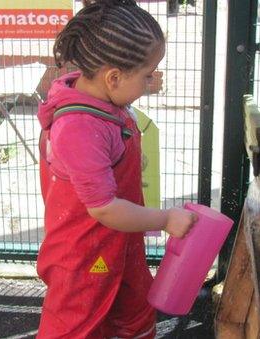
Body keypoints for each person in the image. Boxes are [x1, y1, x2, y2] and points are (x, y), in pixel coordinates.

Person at [37, 0, 197, 337]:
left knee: (136, 312)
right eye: (147, 75)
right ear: (113, 77)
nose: (151, 81)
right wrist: (166, 219)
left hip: (122, 242)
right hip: (83, 256)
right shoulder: (79, 128)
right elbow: (105, 209)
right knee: (76, 326)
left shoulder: (105, 102)